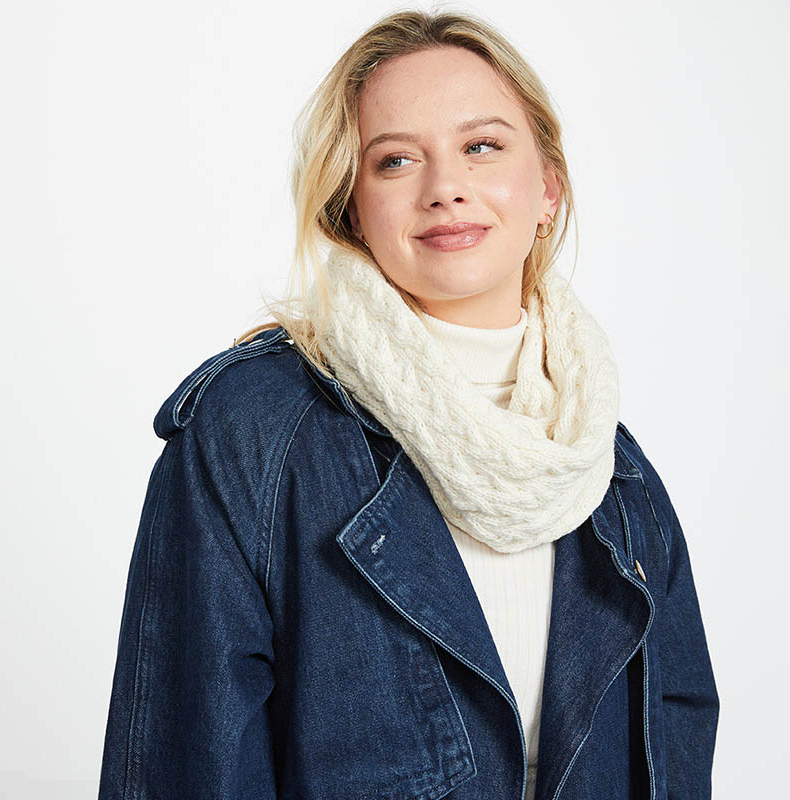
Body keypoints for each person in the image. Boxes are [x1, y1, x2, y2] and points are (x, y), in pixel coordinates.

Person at [97, 9, 719, 800]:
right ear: (352, 207)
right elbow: (182, 767)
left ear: (547, 190)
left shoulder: (609, 468)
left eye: (482, 146)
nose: (445, 188)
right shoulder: (251, 431)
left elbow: (677, 745)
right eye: (395, 161)